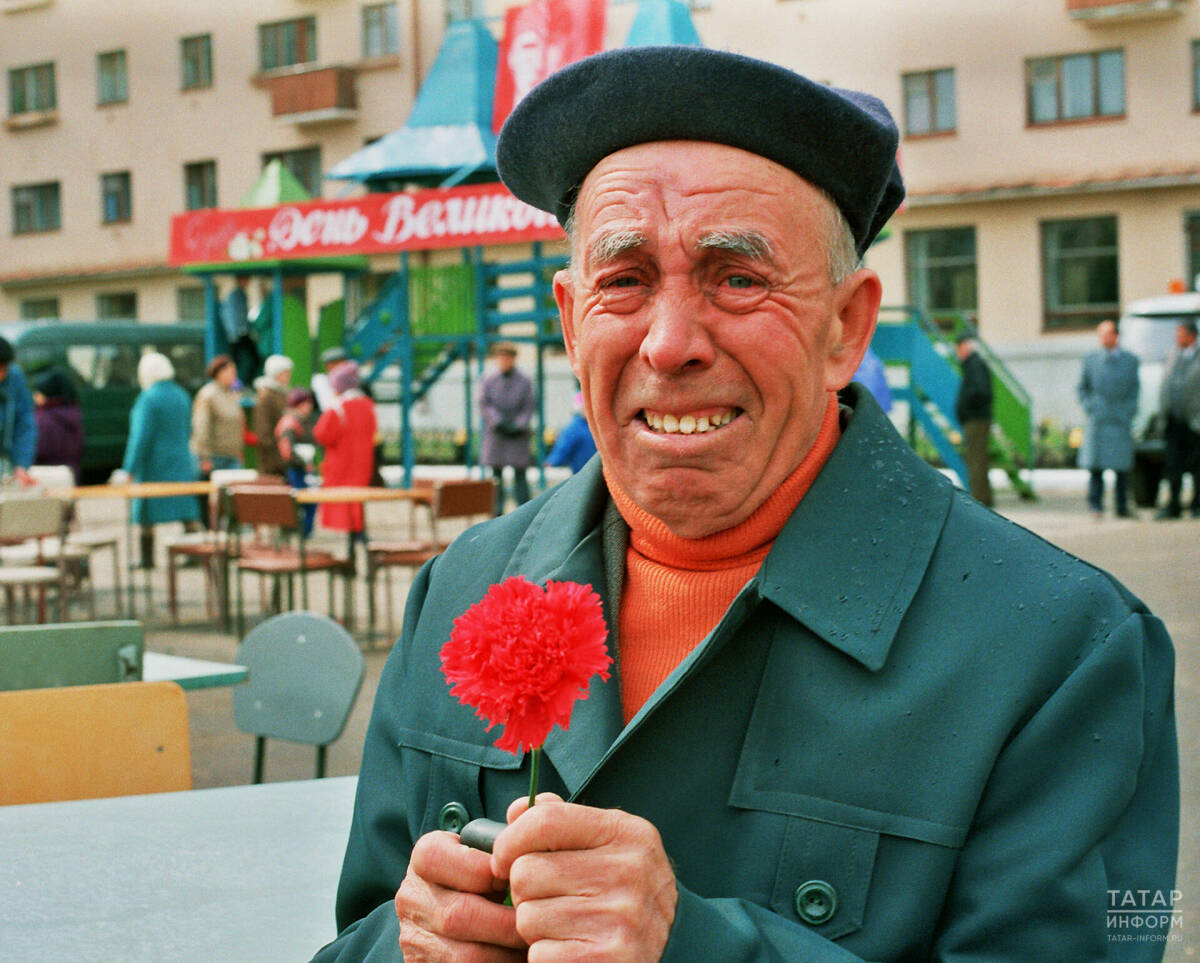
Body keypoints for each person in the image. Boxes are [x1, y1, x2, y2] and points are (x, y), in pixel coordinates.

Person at [316, 47, 1178, 962]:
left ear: (845, 327)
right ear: (571, 322)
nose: (671, 342)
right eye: (624, 280)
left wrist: (700, 947)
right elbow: (361, 928)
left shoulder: (1063, 651)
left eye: (737, 278)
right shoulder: (461, 589)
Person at [119, 353, 201, 568]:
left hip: (154, 463)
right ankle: (196, 553)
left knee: (147, 510)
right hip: (181, 460)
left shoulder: (148, 399)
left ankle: (147, 559)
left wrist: (129, 468)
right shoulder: (181, 395)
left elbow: (140, 437)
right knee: (186, 509)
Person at [1077, 319, 1140, 519]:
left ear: (1115, 336)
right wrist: (1091, 407)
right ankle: (1095, 505)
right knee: (1096, 466)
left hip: (1120, 418)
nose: (1104, 339)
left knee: (1121, 467)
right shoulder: (1091, 359)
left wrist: (1128, 410)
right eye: (1101, 335)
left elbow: (1134, 390)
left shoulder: (1130, 360)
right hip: (1099, 418)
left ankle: (1121, 505)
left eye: (1107, 334)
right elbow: (1082, 388)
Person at [313, 361, 377, 548]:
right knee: (357, 502)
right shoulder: (367, 405)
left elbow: (322, 434)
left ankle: (349, 547)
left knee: (342, 504)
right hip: (362, 463)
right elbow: (373, 432)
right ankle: (359, 533)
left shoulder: (337, 407)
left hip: (340, 464)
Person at [478, 341, 535, 514]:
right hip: (497, 435)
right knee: (496, 479)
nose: (504, 361)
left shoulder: (524, 381)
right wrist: (498, 422)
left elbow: (529, 404)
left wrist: (519, 425)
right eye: (501, 357)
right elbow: (483, 403)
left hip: (517, 435)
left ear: (513, 359)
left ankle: (524, 514)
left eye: (507, 357)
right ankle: (496, 514)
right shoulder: (488, 379)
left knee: (520, 477)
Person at [1156, 319, 1200, 519]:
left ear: (1192, 336)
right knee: (1173, 464)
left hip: (1195, 422)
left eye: (1181, 334)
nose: (1177, 338)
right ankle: (1173, 504)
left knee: (1197, 465)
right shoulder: (1173, 355)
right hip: (1174, 421)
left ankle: (1197, 504)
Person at [954, 334, 993, 506]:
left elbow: (980, 391)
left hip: (975, 419)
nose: (957, 351)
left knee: (976, 461)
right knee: (977, 460)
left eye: (959, 347)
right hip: (976, 418)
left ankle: (980, 499)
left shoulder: (974, 365)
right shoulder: (974, 364)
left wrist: (966, 408)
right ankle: (983, 497)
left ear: (965, 347)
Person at [191, 354, 246, 477]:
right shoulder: (208, 395)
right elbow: (201, 426)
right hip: (214, 458)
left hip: (232, 457)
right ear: (219, 372)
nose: (234, 375)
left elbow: (237, 425)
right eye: (231, 371)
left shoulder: (232, 395)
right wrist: (204, 457)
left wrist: (238, 450)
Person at [277, 386, 318, 536]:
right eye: (305, 403)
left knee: (309, 501)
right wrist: (303, 463)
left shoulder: (303, 420)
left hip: (302, 468)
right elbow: (286, 450)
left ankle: (305, 533)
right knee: (304, 501)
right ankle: (302, 533)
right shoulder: (289, 422)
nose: (309, 407)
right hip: (294, 470)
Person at [32, 367, 84, 483]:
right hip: (70, 476)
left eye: (39, 392)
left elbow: (39, 450)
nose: (35, 396)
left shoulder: (44, 418)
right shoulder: (73, 413)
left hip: (47, 479)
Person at [0, 336, 37, 486]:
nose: (1, 375)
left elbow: (25, 424)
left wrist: (21, 464)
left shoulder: (15, 378)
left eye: (3, 369)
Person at [252, 354, 293, 477]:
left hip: (282, 454)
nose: (288, 376)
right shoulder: (266, 396)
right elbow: (263, 429)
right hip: (272, 458)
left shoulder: (282, 393)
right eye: (285, 372)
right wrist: (277, 449)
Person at [546, 390, 597, 473]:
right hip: (581, 468)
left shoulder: (578, 427)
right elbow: (563, 445)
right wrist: (553, 460)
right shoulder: (575, 427)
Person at [221, 275, 259, 388]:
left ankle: (240, 384)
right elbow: (233, 315)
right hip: (238, 334)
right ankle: (240, 384)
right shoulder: (236, 295)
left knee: (240, 360)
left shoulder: (239, 294)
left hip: (239, 333)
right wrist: (237, 332)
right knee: (238, 361)